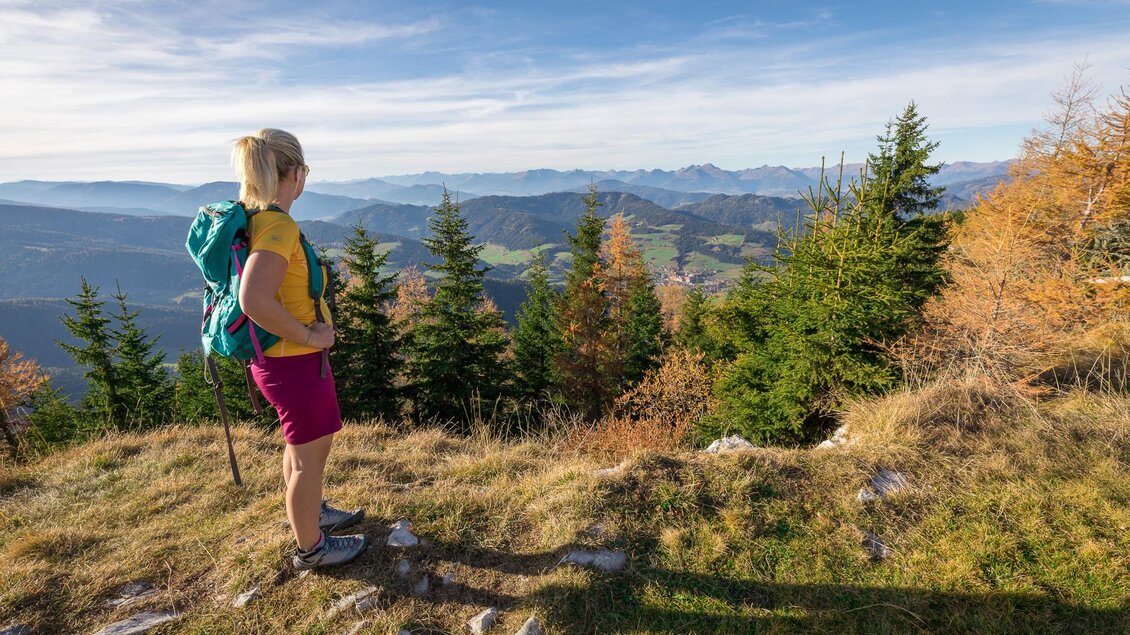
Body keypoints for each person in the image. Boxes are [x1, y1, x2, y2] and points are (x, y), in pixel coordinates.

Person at [232, 128, 366, 570]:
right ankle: (312, 547)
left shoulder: (258, 219)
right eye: (305, 169)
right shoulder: (278, 225)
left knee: (300, 448)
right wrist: (308, 336)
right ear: (294, 174)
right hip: (293, 364)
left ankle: (313, 514)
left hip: (279, 363)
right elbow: (253, 300)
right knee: (310, 459)